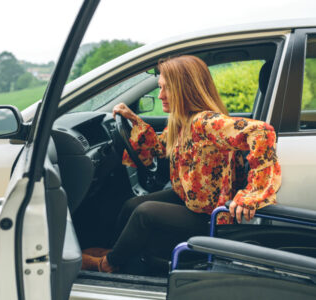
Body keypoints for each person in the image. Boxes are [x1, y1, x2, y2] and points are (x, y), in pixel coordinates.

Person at [81, 55, 282, 273]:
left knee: (144, 213)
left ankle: (108, 265)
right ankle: (117, 252)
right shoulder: (182, 121)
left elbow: (262, 132)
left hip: (210, 213)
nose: (160, 96)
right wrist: (132, 119)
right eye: (160, 88)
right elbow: (160, 147)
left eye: (166, 89)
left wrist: (252, 194)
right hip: (189, 198)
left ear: (185, 89)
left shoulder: (205, 122)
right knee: (132, 204)